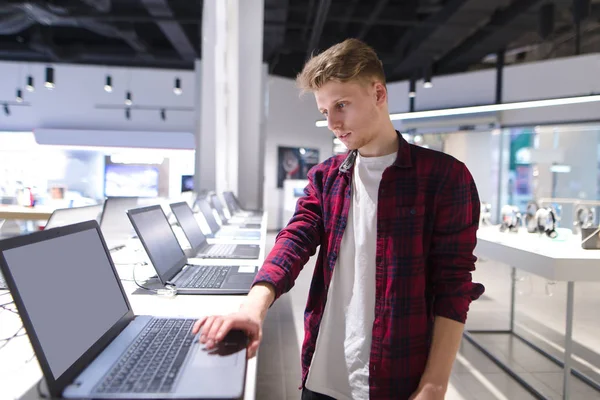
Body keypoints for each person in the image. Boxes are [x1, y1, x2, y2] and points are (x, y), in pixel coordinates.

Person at [192, 38, 485, 400]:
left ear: (378, 94)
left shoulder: (444, 177)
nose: (331, 122)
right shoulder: (326, 177)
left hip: (397, 375)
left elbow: (453, 285)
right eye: (325, 110)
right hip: (322, 372)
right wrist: (253, 307)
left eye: (341, 105)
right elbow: (295, 240)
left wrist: (435, 384)